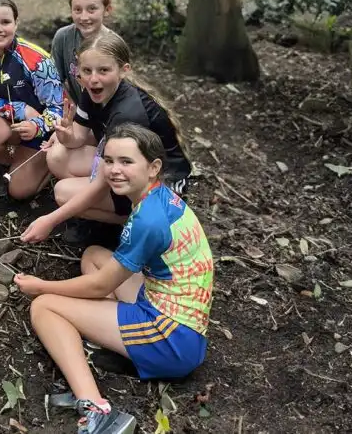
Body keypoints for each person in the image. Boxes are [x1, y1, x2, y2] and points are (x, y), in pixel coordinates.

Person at [14, 124, 213, 434]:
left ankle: (97, 412)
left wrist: (40, 286)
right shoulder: (159, 198)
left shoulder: (148, 219)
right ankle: (105, 342)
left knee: (43, 307)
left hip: (170, 339)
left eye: (126, 161)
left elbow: (100, 286)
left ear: (153, 167)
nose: (114, 170)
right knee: (94, 255)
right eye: (108, 160)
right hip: (184, 325)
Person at [40, 31, 191, 245]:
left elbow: (104, 180)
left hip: (160, 183)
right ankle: (102, 212)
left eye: (103, 70)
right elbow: (79, 137)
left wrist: (51, 220)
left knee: (63, 193)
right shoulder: (92, 90)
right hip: (129, 164)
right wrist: (66, 135)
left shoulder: (127, 113)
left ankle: (127, 219)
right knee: (58, 156)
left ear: (123, 70)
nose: (93, 78)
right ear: (78, 73)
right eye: (87, 70)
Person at [0, 0, 64, 199]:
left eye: (5, 22)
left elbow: (59, 109)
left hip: (45, 130)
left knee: (19, 192)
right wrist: (20, 109)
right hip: (13, 123)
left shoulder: (37, 60)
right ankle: (7, 164)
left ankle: (51, 163)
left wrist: (37, 125)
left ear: (16, 23)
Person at [51, 0, 116, 104]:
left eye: (92, 9)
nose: (84, 17)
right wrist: (71, 107)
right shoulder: (63, 37)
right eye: (77, 10)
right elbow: (54, 80)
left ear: (107, 10)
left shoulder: (114, 44)